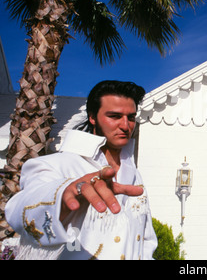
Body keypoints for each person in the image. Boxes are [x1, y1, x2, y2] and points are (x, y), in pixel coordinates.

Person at [5, 80, 157, 260]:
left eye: (131, 117)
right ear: (92, 117)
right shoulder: (59, 163)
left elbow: (146, 241)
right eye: (115, 116)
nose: (125, 125)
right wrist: (63, 195)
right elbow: (18, 208)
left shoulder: (134, 173)